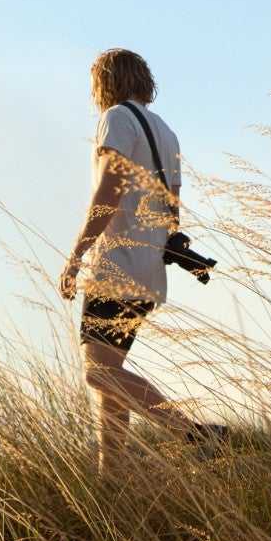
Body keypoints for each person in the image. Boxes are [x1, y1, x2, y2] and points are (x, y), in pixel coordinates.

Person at [58, 48, 224, 475]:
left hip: (116, 263)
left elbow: (108, 192)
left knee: (98, 374)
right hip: (149, 271)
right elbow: (173, 211)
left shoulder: (116, 119)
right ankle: (110, 478)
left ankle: (192, 432)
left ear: (104, 82)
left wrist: (76, 256)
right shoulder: (166, 132)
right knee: (111, 379)